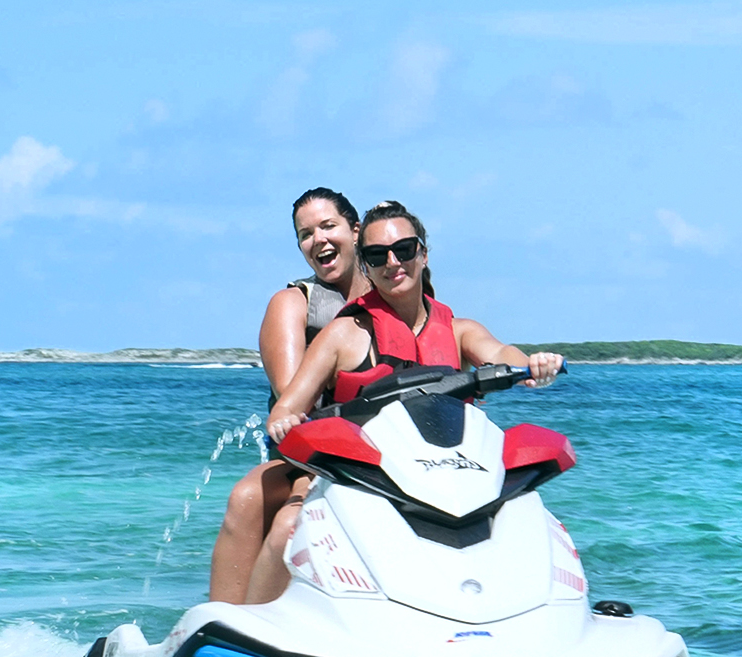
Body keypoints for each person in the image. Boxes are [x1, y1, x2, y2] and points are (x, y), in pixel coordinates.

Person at [254, 201, 564, 599]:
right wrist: (285, 422)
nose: (392, 262)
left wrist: (532, 366)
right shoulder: (343, 334)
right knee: (285, 530)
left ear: (423, 254)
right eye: (376, 255)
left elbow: (502, 355)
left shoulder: (457, 330)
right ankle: (246, 634)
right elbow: (287, 406)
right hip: (361, 480)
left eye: (403, 250)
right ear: (365, 265)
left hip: (448, 480)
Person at [207, 187, 371, 604]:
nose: (318, 239)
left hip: (393, 453)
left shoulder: (397, 294)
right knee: (249, 498)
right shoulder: (292, 303)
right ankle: (227, 625)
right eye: (305, 234)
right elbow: (292, 396)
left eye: (328, 226)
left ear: (356, 230)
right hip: (312, 454)